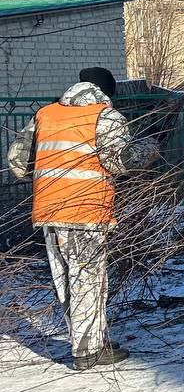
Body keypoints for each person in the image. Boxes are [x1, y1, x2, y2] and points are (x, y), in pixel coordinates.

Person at [6, 68, 149, 370]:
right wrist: (148, 149)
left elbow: (17, 163)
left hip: (48, 211)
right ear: (106, 92)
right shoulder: (105, 116)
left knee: (66, 280)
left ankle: (87, 342)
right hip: (85, 211)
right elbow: (119, 162)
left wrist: (52, 176)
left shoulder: (46, 114)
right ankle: (88, 352)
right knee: (88, 281)